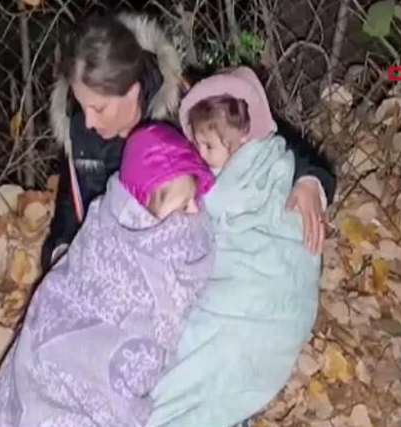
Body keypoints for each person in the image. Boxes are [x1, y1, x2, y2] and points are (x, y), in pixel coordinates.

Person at [0, 123, 216, 427]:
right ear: (143, 209)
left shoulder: (193, 235)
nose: (194, 213)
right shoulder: (109, 230)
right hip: (66, 360)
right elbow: (74, 291)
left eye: (194, 200)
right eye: (182, 207)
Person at [42, 12, 336, 269]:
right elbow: (67, 222)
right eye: (82, 106)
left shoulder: (191, 101)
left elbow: (272, 135)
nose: (88, 121)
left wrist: (309, 180)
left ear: (132, 91)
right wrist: (63, 256)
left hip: (216, 255)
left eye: (98, 108)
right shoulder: (83, 136)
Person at [147, 66, 322, 427]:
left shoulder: (269, 162)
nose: (200, 153)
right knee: (186, 337)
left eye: (209, 146)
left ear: (241, 138)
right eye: (197, 143)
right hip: (231, 282)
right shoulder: (209, 164)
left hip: (264, 287)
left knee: (206, 343)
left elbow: (256, 220)